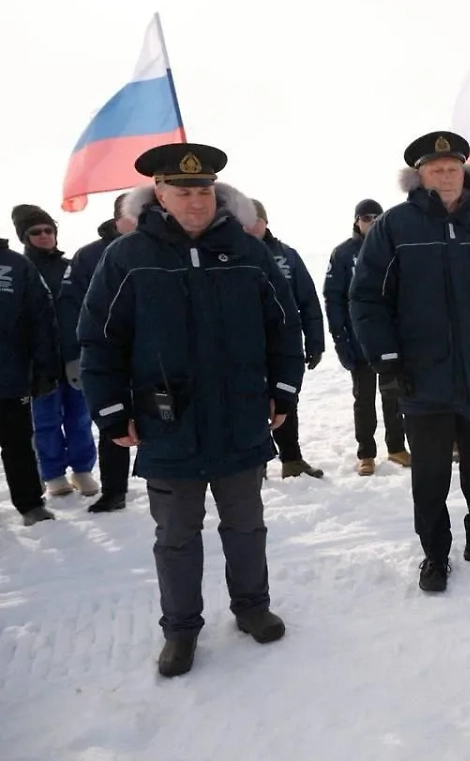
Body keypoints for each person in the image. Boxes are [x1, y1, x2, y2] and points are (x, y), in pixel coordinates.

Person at [79, 142, 305, 677]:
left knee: (246, 525)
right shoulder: (128, 257)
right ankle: (180, 630)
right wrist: (112, 412)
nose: (195, 201)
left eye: (203, 191)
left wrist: (284, 390)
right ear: (159, 193)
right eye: (183, 192)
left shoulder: (248, 252)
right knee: (176, 536)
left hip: (241, 418)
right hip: (169, 425)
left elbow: (285, 327)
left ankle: (252, 606)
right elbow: (100, 340)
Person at [349, 130, 470, 594]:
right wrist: (387, 359)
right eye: (436, 169)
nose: (446, 175)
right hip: (422, 375)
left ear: (464, 172)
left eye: (453, 168)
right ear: (420, 175)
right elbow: (367, 297)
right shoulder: (396, 227)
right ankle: (435, 552)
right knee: (430, 472)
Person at [57, 194, 139, 513]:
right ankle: (115, 490)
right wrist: (76, 351)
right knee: (112, 420)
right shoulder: (89, 255)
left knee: (167, 416)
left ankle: (179, 484)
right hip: (108, 353)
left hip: (154, 352)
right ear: (118, 217)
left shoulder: (162, 248)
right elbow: (70, 306)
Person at [11, 204, 98, 498]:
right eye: (36, 232)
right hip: (38, 360)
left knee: (80, 417)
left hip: (74, 355)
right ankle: (54, 475)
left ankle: (83, 470)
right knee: (45, 421)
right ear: (25, 237)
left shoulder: (71, 266)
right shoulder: (19, 270)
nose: (45, 235)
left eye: (49, 230)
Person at [324, 198, 410, 474]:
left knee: (393, 395)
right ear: (356, 221)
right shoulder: (342, 254)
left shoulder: (394, 249)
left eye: (376, 217)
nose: (371, 222)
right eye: (365, 218)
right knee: (364, 399)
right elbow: (333, 298)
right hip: (358, 339)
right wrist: (340, 339)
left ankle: (396, 447)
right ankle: (366, 453)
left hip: (388, 338)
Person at [246, 199, 326, 477]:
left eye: (256, 220)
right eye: (245, 220)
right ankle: (256, 463)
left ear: (265, 222)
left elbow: (308, 300)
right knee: (249, 401)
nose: (251, 226)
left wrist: (315, 340)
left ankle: (291, 459)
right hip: (246, 346)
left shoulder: (287, 255)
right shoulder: (231, 254)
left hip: (283, 344)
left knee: (286, 399)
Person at [0, 234, 60, 525]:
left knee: (18, 445)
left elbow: (41, 317)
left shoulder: (15, 264)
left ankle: (30, 504)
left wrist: (45, 367)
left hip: (9, 376)